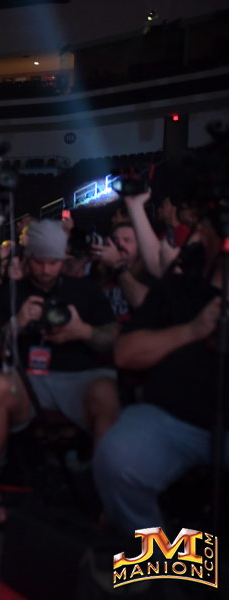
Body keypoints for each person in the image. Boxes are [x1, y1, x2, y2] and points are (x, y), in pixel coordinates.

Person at [0, 219, 121, 527]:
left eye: (53, 262)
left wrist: (82, 331)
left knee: (108, 392)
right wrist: (16, 323)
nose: (45, 270)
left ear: (63, 258)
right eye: (39, 262)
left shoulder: (85, 289)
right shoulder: (10, 293)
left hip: (79, 378)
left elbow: (114, 340)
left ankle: (107, 496)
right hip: (27, 381)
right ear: (28, 258)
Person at [94, 204, 228, 535]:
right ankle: (159, 553)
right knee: (118, 457)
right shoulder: (179, 285)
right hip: (174, 417)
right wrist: (193, 330)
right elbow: (125, 353)